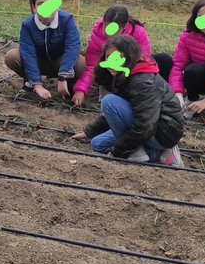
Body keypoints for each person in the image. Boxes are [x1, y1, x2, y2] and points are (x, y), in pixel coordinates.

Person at [72, 35, 185, 167]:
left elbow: (144, 125)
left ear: (129, 57)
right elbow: (117, 113)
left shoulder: (142, 81)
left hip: (163, 132)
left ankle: (140, 154)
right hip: (146, 127)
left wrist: (118, 151)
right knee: (97, 144)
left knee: (109, 102)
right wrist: (89, 132)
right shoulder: (124, 75)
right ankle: (156, 153)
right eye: (109, 57)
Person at [72, 5, 171, 106]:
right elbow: (91, 65)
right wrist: (81, 90)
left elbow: (145, 59)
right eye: (107, 27)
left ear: (124, 27)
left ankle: (155, 96)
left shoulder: (137, 31)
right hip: (110, 74)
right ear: (103, 22)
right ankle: (107, 92)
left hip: (131, 71)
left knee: (163, 59)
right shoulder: (97, 34)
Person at [5, 0, 85, 100]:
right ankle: (30, 82)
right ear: (34, 7)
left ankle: (69, 85)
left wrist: (63, 77)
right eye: (40, 4)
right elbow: (28, 53)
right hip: (39, 61)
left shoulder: (66, 20)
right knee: (12, 57)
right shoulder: (28, 25)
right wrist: (37, 84)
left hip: (59, 61)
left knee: (82, 64)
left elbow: (73, 47)